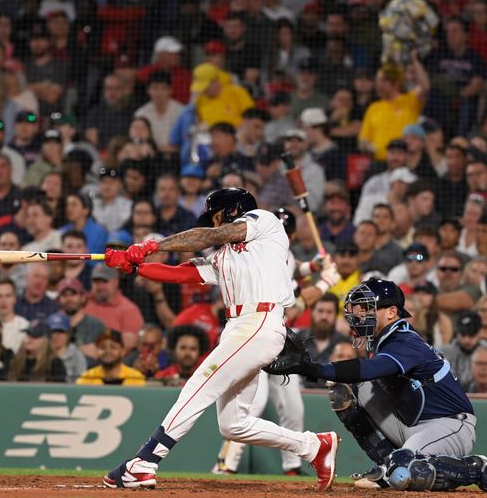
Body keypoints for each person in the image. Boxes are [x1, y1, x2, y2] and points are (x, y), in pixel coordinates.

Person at [101, 187, 339, 491]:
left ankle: (145, 461)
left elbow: (212, 236)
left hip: (259, 321)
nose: (214, 224)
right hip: (240, 326)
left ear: (232, 210)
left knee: (199, 385)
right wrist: (135, 266)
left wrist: (150, 246)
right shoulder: (226, 257)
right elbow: (182, 274)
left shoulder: (263, 221)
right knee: (234, 424)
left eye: (216, 216)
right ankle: (313, 446)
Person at [264, 278, 487, 492]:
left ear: (392, 312)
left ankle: (478, 469)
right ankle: (390, 466)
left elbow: (373, 368)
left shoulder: (405, 339)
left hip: (448, 424)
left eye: (368, 308)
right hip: (412, 422)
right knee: (348, 391)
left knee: (404, 469)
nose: (360, 314)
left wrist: (313, 368)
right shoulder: (381, 340)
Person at [76, 328, 146, 386]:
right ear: (96, 351)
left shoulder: (136, 378)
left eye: (113, 347)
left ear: (122, 351)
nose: (108, 351)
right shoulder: (86, 378)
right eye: (102, 347)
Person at [46, 312, 86, 382]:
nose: (56, 336)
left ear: (68, 334)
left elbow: (81, 383)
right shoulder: (41, 354)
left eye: (61, 332)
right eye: (53, 332)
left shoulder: (76, 355)